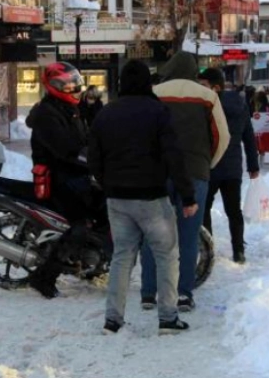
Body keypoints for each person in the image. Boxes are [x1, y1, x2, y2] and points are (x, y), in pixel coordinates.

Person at [89, 59, 197, 335]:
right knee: (166, 255)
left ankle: (113, 320)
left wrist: (108, 184)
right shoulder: (158, 111)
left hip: (117, 199)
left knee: (122, 257)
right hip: (152, 198)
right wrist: (187, 195)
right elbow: (174, 155)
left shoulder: (106, 114)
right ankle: (168, 317)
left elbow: (94, 159)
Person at [140, 51, 230, 312]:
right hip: (195, 174)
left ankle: (149, 291)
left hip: (158, 174)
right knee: (189, 235)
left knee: (152, 233)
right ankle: (183, 294)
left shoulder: (154, 93)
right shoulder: (208, 97)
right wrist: (207, 163)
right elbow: (221, 136)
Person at [24, 61, 93, 299]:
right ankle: (44, 276)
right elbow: (66, 150)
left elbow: (86, 140)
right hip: (59, 178)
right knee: (81, 224)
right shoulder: (47, 114)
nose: (74, 89)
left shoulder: (69, 109)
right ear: (54, 87)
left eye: (76, 83)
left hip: (75, 173)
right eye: (68, 85)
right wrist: (90, 160)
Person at [198, 68, 259, 264]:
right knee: (234, 211)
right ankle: (238, 250)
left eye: (204, 85)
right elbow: (249, 136)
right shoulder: (240, 104)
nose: (201, 89)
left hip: (211, 166)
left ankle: (208, 250)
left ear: (215, 87)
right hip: (233, 169)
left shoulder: (207, 106)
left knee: (204, 208)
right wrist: (252, 164)